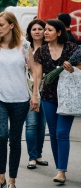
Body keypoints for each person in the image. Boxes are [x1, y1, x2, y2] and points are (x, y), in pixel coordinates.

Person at [0, 12, 31, 188]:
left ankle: (12, 180)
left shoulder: (24, 45)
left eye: (1, 25)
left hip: (21, 99)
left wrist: (36, 96)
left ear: (11, 25)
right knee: (2, 137)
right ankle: (1, 177)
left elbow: (33, 70)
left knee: (15, 140)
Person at [33, 19, 80, 184]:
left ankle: (61, 171)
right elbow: (38, 76)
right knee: (53, 134)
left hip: (68, 96)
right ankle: (59, 168)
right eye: (45, 29)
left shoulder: (72, 48)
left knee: (61, 133)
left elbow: (80, 67)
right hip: (48, 96)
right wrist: (34, 96)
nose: (45, 32)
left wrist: (73, 68)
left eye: (49, 30)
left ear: (59, 32)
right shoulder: (41, 51)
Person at [24, 19, 48, 170]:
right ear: (30, 32)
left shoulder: (48, 48)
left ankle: (39, 155)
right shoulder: (25, 47)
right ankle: (32, 157)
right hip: (28, 89)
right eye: (34, 29)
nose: (37, 31)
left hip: (46, 90)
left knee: (41, 125)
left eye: (40, 29)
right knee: (32, 124)